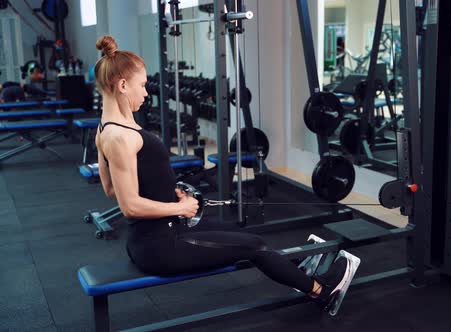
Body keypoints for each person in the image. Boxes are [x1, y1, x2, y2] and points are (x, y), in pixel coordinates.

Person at [93, 35, 356, 310]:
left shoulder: (107, 127)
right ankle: (322, 291)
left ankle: (297, 275)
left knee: (234, 230)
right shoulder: (120, 136)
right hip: (159, 247)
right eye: (143, 86)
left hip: (158, 234)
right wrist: (180, 208)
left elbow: (113, 188)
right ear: (123, 85)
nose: (147, 93)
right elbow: (129, 206)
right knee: (254, 246)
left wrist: (168, 191)